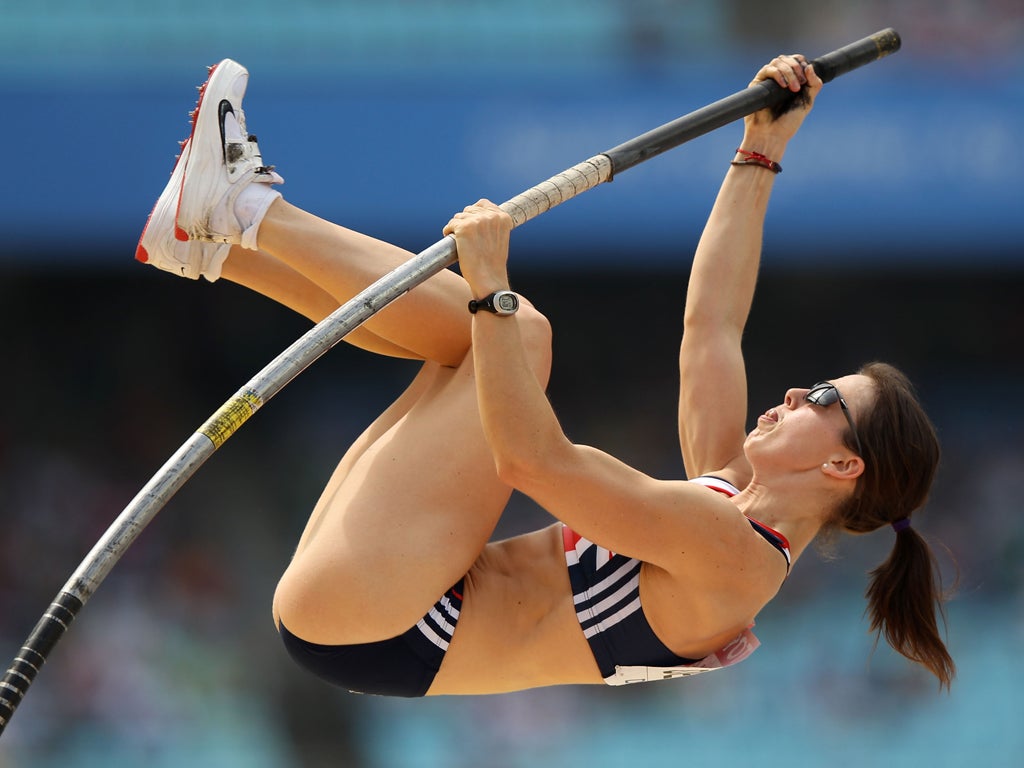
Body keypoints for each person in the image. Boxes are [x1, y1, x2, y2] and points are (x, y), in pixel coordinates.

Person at [136, 54, 955, 697]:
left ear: (843, 466)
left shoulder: (736, 557)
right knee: (471, 344)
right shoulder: (730, 498)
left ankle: (246, 210)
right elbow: (712, 327)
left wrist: (493, 286)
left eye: (821, 400)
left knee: (515, 334)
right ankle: (215, 240)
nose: (791, 394)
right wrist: (760, 154)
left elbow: (533, 463)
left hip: (385, 618)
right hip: (383, 601)